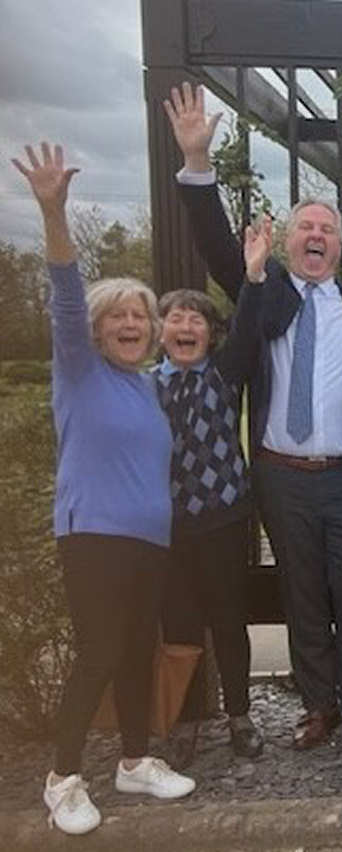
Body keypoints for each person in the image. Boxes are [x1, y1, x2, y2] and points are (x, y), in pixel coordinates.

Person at [164, 83, 342, 752]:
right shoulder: (265, 293)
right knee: (302, 594)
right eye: (305, 228)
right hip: (281, 475)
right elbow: (211, 242)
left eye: (327, 230)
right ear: (285, 241)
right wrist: (197, 162)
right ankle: (318, 706)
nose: (316, 237)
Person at [14, 143, 195, 836]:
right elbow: (63, 289)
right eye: (118, 316)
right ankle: (62, 778)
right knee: (98, 652)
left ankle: (135, 760)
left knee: (134, 649)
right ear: (94, 329)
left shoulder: (147, 385)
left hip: (149, 540)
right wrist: (53, 211)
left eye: (140, 317)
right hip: (92, 536)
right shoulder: (80, 372)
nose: (132, 324)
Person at [153, 217, 272, 766]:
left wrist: (252, 275)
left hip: (224, 519)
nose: (184, 325)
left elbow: (249, 327)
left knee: (229, 621)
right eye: (174, 317)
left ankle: (240, 717)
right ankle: (186, 723)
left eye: (195, 318)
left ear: (209, 333)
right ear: (161, 331)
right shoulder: (144, 385)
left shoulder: (224, 374)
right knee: (180, 625)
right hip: (167, 524)